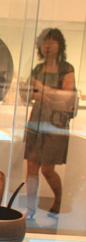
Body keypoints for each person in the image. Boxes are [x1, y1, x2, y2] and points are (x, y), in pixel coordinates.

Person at [23, 28, 76, 220]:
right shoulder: (38, 69)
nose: (47, 46)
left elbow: (67, 96)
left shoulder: (66, 68)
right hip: (36, 120)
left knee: (47, 168)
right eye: (45, 42)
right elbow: (26, 93)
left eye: (52, 42)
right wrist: (41, 96)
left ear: (59, 45)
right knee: (31, 166)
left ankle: (59, 200)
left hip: (55, 123)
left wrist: (43, 90)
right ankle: (30, 209)